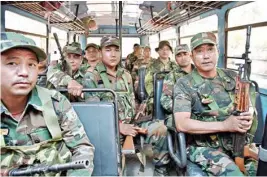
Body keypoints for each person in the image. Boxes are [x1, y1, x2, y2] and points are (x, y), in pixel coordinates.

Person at [0, 32, 94, 176]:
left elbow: (81, 148)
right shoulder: (56, 68)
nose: (24, 72)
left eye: (31, 64)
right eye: (12, 63)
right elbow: (54, 73)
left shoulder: (55, 101)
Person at [173, 32, 258, 176]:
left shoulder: (231, 77)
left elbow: (247, 104)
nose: (206, 56)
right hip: (203, 147)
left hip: (238, 142)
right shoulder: (184, 84)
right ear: (192, 56)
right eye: (199, 51)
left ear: (218, 52)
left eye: (210, 50)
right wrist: (225, 125)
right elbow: (182, 123)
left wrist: (248, 117)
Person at [83, 36, 170, 176]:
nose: (113, 54)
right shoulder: (92, 76)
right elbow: (95, 115)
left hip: (131, 123)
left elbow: (131, 100)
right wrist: (120, 127)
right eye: (108, 50)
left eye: (116, 50)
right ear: (100, 52)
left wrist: (139, 111)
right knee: (115, 166)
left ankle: (161, 170)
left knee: (161, 129)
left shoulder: (126, 75)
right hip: (109, 129)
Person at [160, 44, 194, 126]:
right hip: (179, 113)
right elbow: (165, 100)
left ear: (190, 55)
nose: (183, 58)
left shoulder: (200, 72)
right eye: (179, 55)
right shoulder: (171, 76)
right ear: (175, 59)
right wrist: (183, 110)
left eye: (185, 54)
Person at [145, 40, 178, 115]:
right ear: (158, 51)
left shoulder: (175, 65)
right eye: (162, 49)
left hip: (172, 93)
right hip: (156, 93)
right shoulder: (152, 65)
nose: (165, 51)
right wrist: (154, 94)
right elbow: (148, 82)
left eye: (167, 49)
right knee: (152, 104)